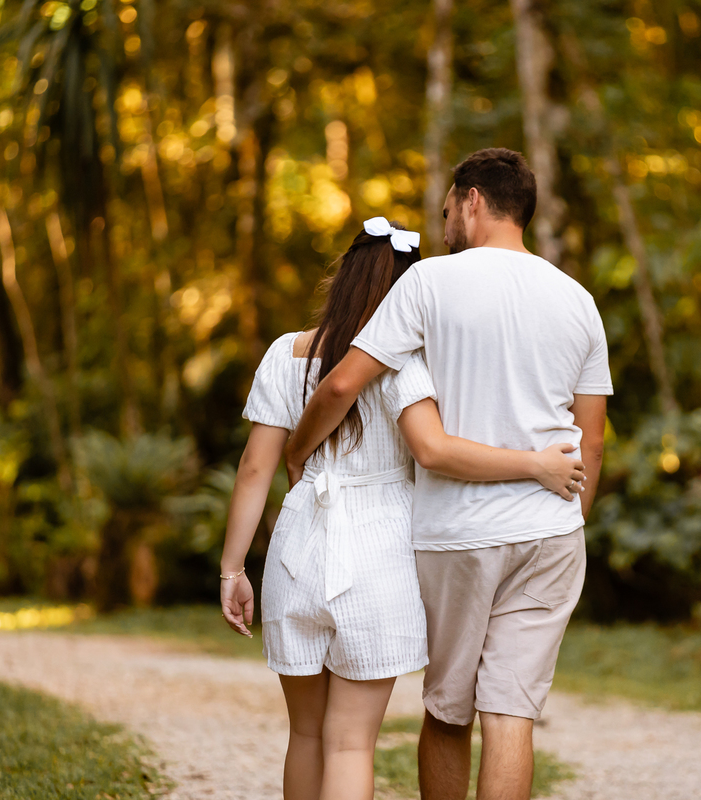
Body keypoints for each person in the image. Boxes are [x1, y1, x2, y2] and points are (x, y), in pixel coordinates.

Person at [219, 216, 587, 800]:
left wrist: (233, 568)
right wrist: (536, 464)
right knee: (350, 744)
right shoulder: (405, 364)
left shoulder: (283, 356)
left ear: (343, 277)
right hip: (378, 559)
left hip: (297, 553)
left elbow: (253, 470)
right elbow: (433, 448)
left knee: (306, 737)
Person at [285, 149, 613, 800]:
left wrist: (298, 452)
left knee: (447, 708)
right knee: (513, 713)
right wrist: (568, 520)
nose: (440, 231)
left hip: (458, 533)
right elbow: (593, 438)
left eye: (443, 213)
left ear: (471, 199)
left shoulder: (429, 284)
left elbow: (342, 383)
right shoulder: (577, 299)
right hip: (550, 534)